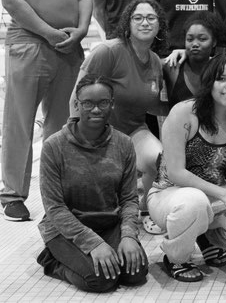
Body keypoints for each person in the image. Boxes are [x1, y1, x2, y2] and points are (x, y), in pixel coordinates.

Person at [0, 0, 92, 221]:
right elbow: (12, 1)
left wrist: (81, 30)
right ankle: (12, 195)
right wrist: (49, 32)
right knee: (20, 122)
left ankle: (55, 192)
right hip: (29, 44)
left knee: (63, 124)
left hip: (68, 47)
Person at [148, 54, 226, 282]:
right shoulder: (184, 113)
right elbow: (175, 173)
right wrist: (224, 193)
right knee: (194, 202)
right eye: (222, 79)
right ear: (209, 82)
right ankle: (176, 258)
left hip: (212, 198)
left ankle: (207, 240)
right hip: (168, 195)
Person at [36, 75, 148, 292]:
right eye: (88, 103)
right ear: (77, 105)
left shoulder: (123, 144)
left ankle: (94, 252)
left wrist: (128, 235)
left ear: (112, 104)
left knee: (136, 273)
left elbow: (129, 199)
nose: (96, 110)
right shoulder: (54, 146)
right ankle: (51, 260)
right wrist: (93, 244)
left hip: (108, 223)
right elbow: (54, 208)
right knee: (101, 280)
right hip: (65, 228)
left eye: (103, 103)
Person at [73, 0, 169, 234]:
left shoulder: (155, 61)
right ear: (128, 23)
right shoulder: (109, 51)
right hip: (100, 132)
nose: (144, 22)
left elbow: (153, 105)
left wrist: (189, 108)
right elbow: (77, 95)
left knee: (160, 160)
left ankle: (148, 210)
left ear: (159, 26)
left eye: (151, 18)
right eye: (138, 17)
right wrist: (77, 137)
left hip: (134, 130)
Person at [164, 11, 223, 107]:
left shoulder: (221, 69)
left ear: (214, 42)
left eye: (202, 39)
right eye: (190, 39)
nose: (195, 44)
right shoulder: (171, 66)